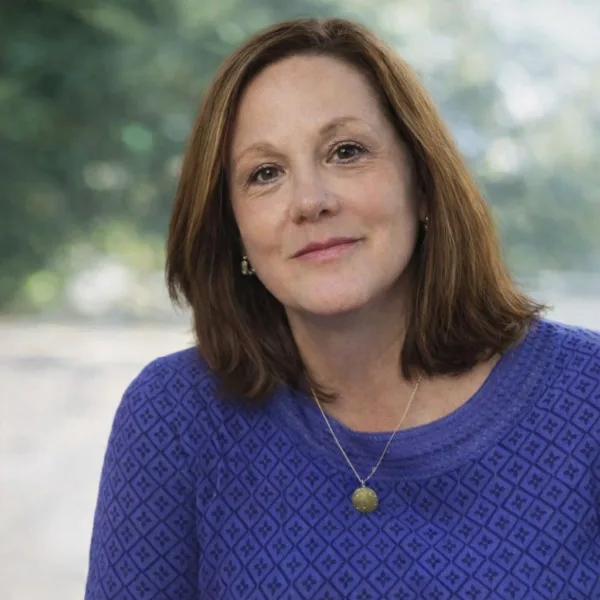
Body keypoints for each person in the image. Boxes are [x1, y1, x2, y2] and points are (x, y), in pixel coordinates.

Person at [85, 17, 600, 600]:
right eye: (265, 173)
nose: (310, 201)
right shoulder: (174, 417)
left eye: (346, 151)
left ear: (423, 182)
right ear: (233, 228)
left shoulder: (589, 393)